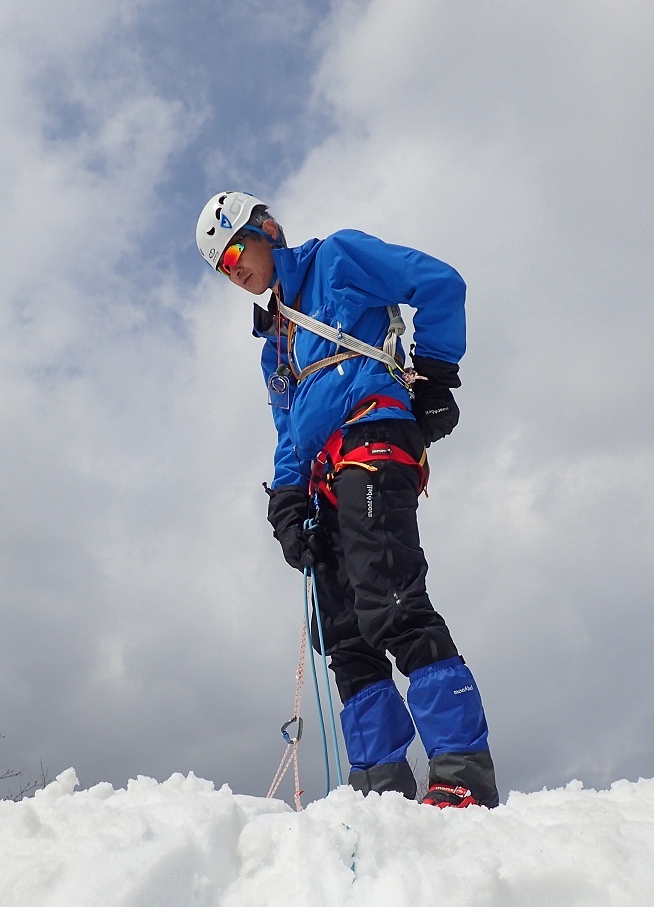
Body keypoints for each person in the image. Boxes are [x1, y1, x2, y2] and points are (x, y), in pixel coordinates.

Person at [195, 191, 499, 809]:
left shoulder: (337, 259)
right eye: (222, 268)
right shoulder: (274, 346)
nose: (234, 270)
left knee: (389, 599)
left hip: (372, 435)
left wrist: (436, 375)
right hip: (321, 476)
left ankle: (463, 770)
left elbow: (439, 284)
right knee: (342, 633)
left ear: (265, 229)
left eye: (234, 250)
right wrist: (284, 501)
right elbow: (288, 431)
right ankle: (377, 787)